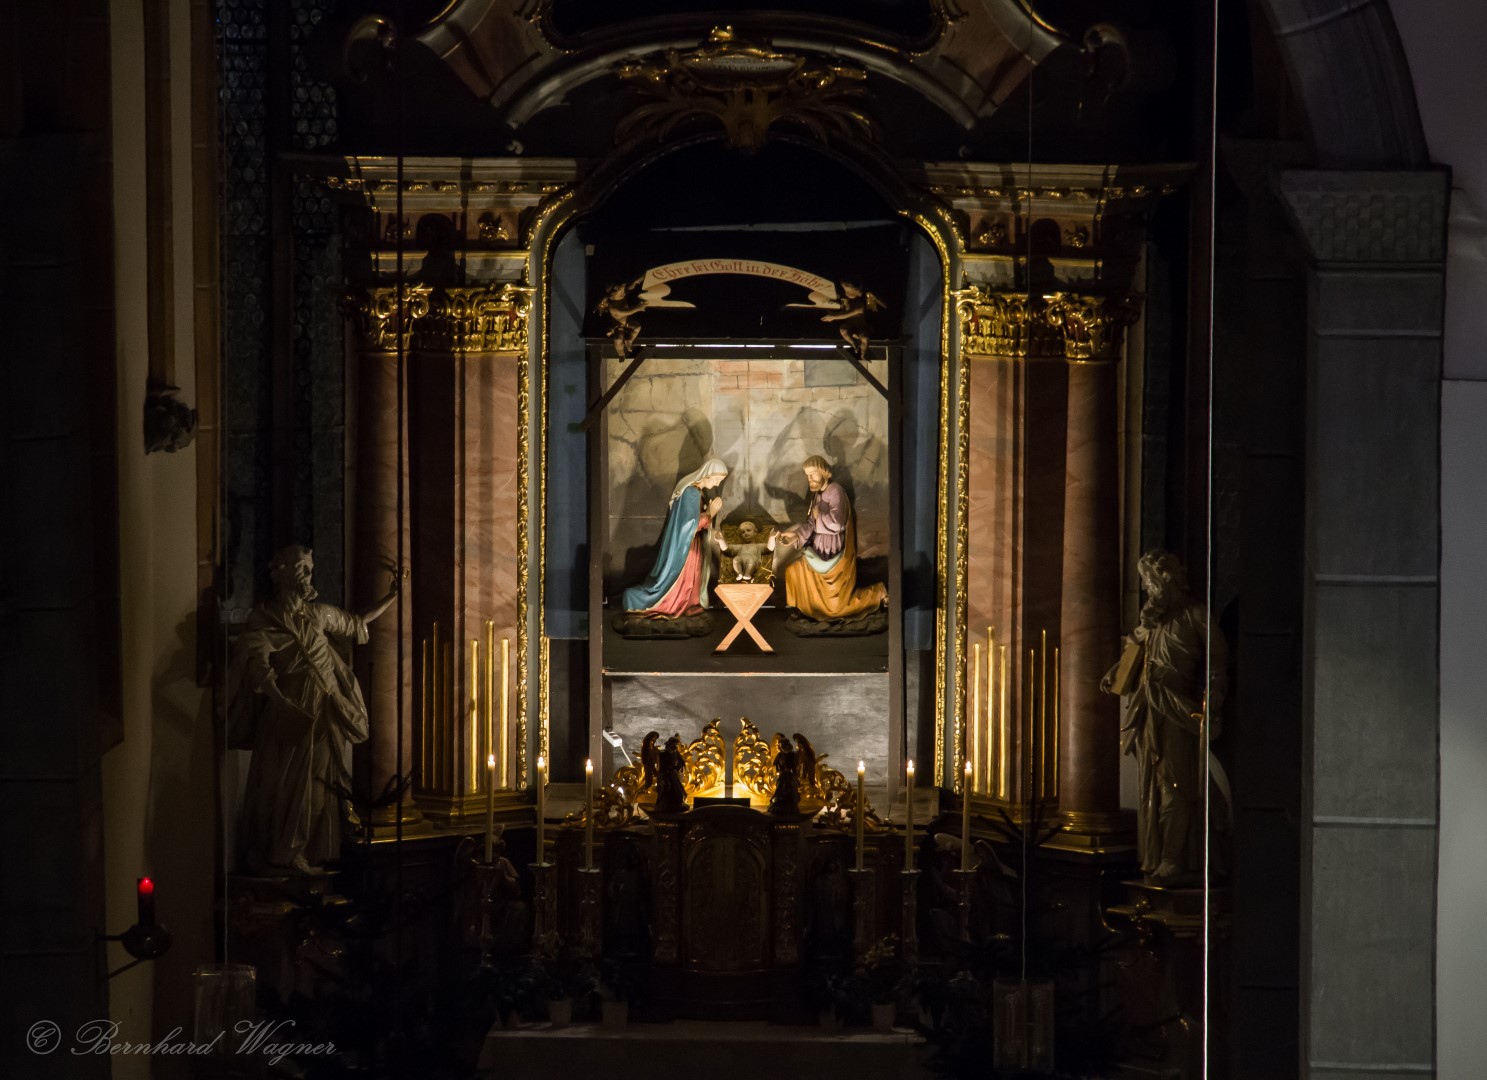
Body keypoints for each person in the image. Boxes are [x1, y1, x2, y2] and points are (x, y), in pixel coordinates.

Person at [228, 545, 400, 875]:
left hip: (325, 706)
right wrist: (281, 701)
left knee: (319, 782)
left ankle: (306, 848)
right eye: (303, 568)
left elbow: (355, 622)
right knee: (285, 782)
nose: (309, 575)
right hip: (290, 709)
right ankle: (282, 851)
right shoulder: (264, 619)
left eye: (310, 569)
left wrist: (392, 596)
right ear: (283, 573)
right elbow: (258, 666)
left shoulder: (318, 615)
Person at [1100, 550, 1228, 886]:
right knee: (1153, 786)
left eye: (1149, 582)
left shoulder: (1195, 614)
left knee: (1175, 785)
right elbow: (1135, 652)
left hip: (1176, 709)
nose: (1146, 589)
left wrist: (1214, 693)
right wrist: (1116, 672)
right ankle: (1156, 856)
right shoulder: (1152, 622)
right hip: (1148, 709)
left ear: (1165, 580)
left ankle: (1174, 857)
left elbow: (1217, 659)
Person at [773, 455, 886, 621]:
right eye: (807, 475)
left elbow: (837, 524)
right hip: (819, 552)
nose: (809, 479)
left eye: (813, 474)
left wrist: (819, 516)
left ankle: (879, 593)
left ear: (824, 472)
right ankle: (799, 608)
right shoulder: (817, 495)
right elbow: (811, 525)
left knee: (836, 608)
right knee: (793, 571)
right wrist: (795, 536)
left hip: (835, 556)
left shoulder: (835, 491)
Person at [622, 457, 730, 615]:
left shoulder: (696, 491)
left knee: (692, 575)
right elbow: (688, 524)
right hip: (686, 545)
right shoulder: (691, 492)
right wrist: (709, 514)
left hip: (691, 543)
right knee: (684, 576)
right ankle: (675, 604)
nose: (717, 484)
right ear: (708, 474)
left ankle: (688, 604)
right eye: (717, 479)